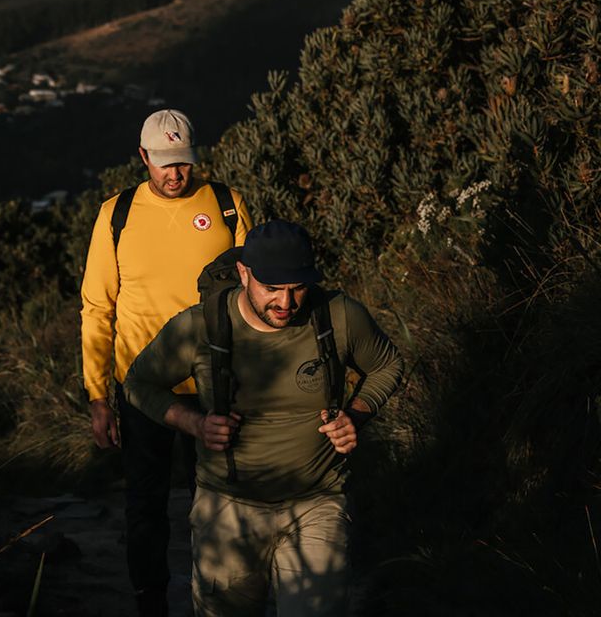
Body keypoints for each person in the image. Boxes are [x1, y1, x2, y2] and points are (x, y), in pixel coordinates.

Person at [124, 219, 404, 617]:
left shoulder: (337, 316)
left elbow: (387, 364)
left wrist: (356, 415)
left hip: (317, 502)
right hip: (227, 508)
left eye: (297, 289)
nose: (286, 304)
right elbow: (138, 382)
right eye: (271, 288)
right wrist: (195, 424)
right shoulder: (200, 326)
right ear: (244, 273)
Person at [81, 108, 252, 616]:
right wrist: (97, 397)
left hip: (218, 383)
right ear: (143, 158)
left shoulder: (225, 205)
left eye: (182, 162)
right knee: (146, 507)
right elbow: (97, 307)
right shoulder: (116, 215)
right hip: (142, 389)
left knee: (222, 502)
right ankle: (150, 602)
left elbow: (257, 292)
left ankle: (221, 599)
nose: (175, 173)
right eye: (163, 163)